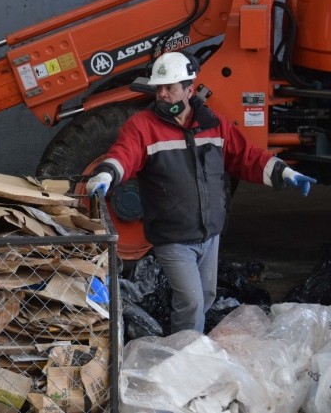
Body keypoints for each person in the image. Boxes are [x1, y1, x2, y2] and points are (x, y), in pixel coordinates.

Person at [86, 51, 317, 334]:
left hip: (210, 233)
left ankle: (186, 347)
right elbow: (125, 154)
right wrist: (108, 172)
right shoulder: (142, 127)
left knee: (205, 297)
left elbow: (246, 156)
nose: (163, 95)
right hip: (173, 236)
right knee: (192, 301)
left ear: (189, 88)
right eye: (159, 88)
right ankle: (186, 357)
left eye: (170, 87)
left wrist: (285, 172)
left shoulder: (214, 124)